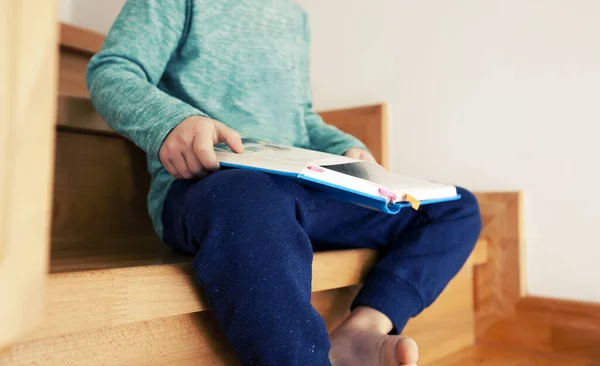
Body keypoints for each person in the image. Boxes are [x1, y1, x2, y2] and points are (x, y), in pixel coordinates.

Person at [86, 0, 482, 365]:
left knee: (455, 206)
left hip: (299, 184)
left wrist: (345, 148)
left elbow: (302, 118)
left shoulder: (293, 16)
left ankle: (361, 331)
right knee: (252, 200)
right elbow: (113, 69)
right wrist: (171, 123)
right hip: (210, 185)